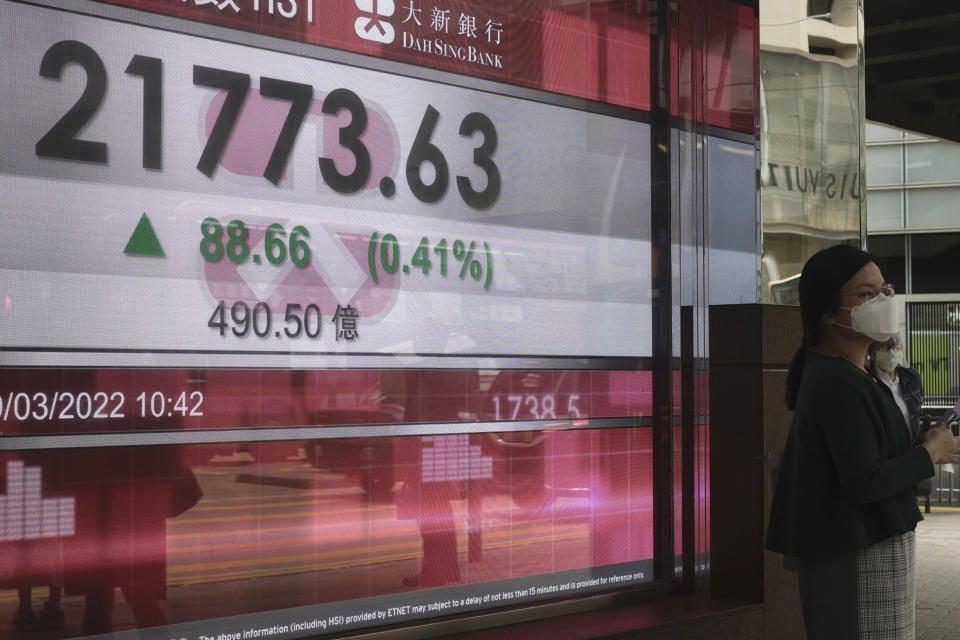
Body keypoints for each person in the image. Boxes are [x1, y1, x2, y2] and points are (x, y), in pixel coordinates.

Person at [765, 244, 959, 640]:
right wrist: (929, 453)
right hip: (856, 558)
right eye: (866, 294)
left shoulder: (852, 375)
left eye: (883, 290)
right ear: (828, 312)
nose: (883, 301)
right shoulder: (838, 382)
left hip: (869, 551)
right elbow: (863, 481)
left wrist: (915, 445)